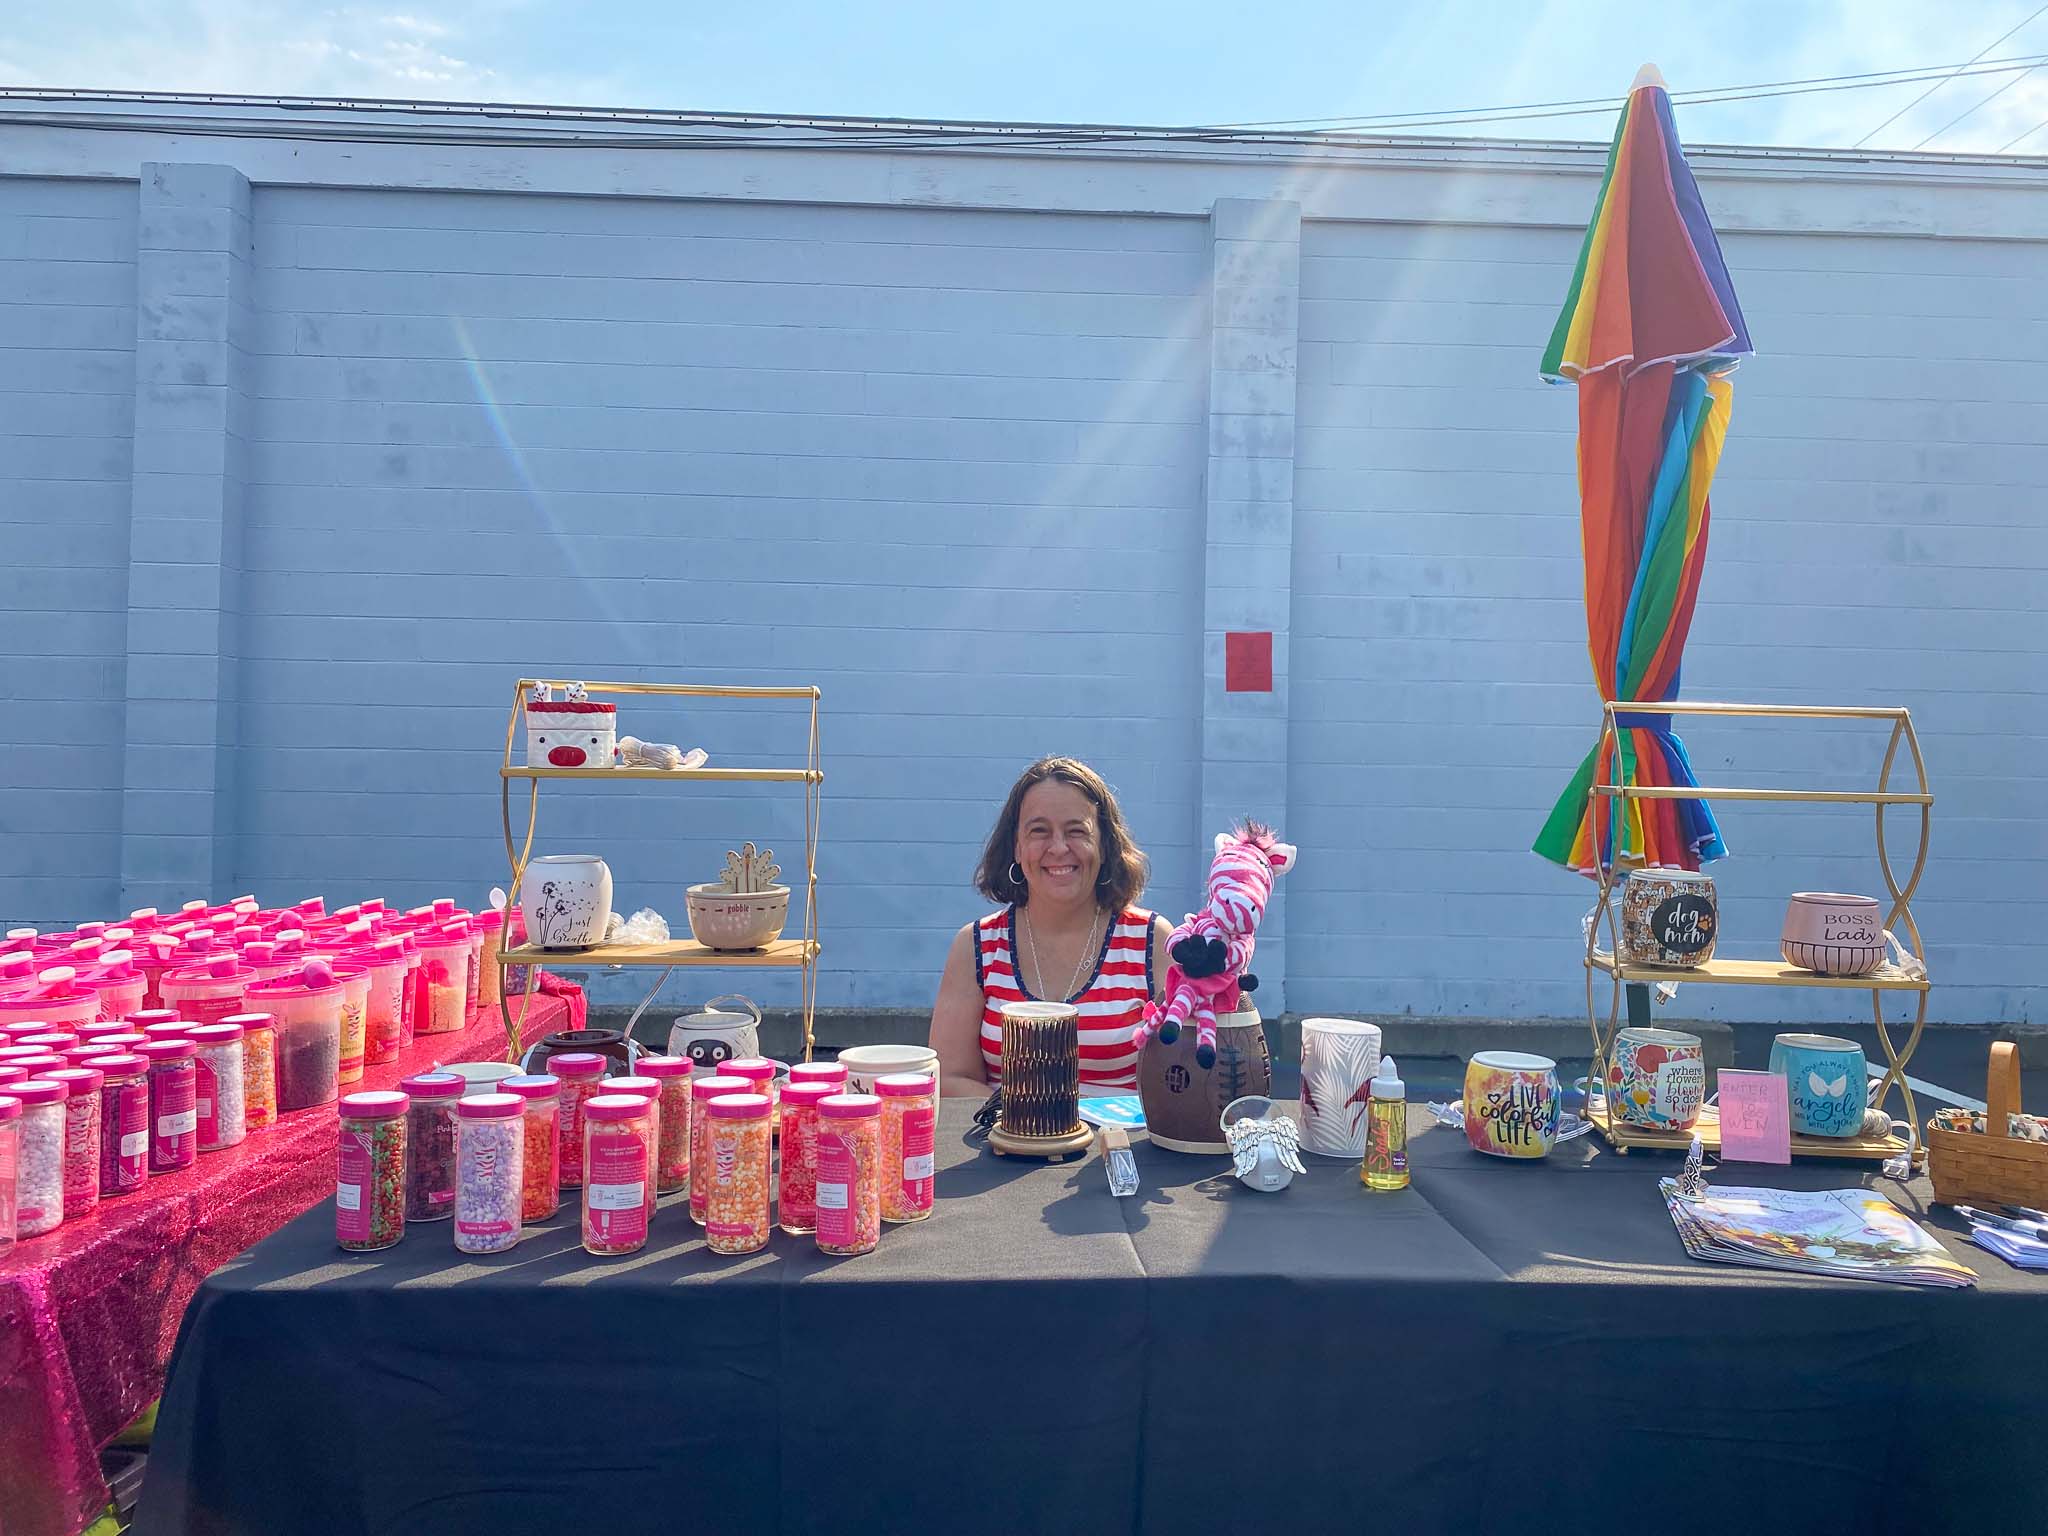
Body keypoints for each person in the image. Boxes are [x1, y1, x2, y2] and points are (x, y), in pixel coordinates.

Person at [929, 757, 1173, 1096]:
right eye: (1039, 831)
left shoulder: (1153, 941)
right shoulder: (975, 946)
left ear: (1105, 845)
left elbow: (1182, 1081)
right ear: (1016, 847)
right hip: (1003, 1131)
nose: (1058, 848)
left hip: (1121, 1131)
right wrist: (1035, 1118)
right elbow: (950, 1079)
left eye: (1077, 831)